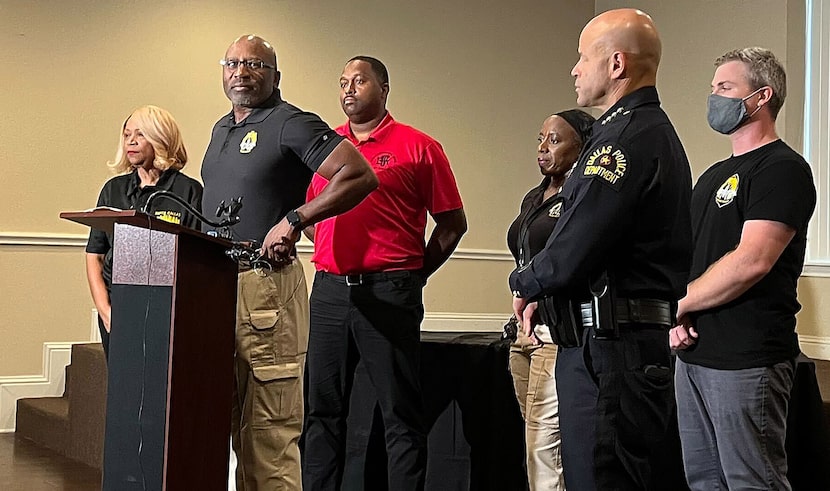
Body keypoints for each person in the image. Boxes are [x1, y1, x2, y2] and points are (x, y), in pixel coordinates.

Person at [509, 8, 692, 490]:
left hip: (612, 349)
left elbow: (575, 245)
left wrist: (523, 283)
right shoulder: (637, 132)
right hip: (613, 344)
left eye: (581, 58)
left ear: (615, 65)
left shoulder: (624, 140)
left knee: (600, 478)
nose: (574, 70)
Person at [200, 36, 378, 491]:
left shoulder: (289, 122)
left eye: (255, 64)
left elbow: (358, 174)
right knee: (227, 427)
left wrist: (296, 220)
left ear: (275, 76)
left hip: (266, 291)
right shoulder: (222, 129)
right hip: (218, 288)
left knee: (269, 434)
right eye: (233, 63)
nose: (241, 71)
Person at [301, 55, 467, 491]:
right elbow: (313, 214)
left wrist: (415, 274)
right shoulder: (325, 149)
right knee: (321, 411)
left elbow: (452, 224)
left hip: (390, 291)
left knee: (400, 414)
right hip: (330, 293)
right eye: (342, 83)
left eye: (359, 80)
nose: (348, 90)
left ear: (384, 88)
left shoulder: (419, 146)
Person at [670, 47, 816, 491]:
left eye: (726, 88)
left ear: (761, 96)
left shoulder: (783, 169)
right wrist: (679, 316)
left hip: (748, 359)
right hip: (694, 353)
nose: (714, 98)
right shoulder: (712, 174)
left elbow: (752, 260)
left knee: (752, 481)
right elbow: (693, 259)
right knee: (704, 481)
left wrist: (680, 302)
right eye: (714, 89)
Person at [505, 109, 594, 491]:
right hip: (522, 335)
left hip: (555, 335)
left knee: (546, 449)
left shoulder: (581, 198)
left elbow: (572, 260)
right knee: (534, 444)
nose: (543, 148)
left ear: (582, 146)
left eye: (555, 140)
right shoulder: (534, 196)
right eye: (540, 139)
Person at [85, 105, 203, 360]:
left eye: (140, 135)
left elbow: (195, 259)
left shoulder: (188, 191)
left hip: (167, 309)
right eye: (127, 135)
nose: (131, 142)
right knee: (123, 387)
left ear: (161, 138)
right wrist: (105, 310)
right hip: (119, 305)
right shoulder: (113, 189)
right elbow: (95, 254)